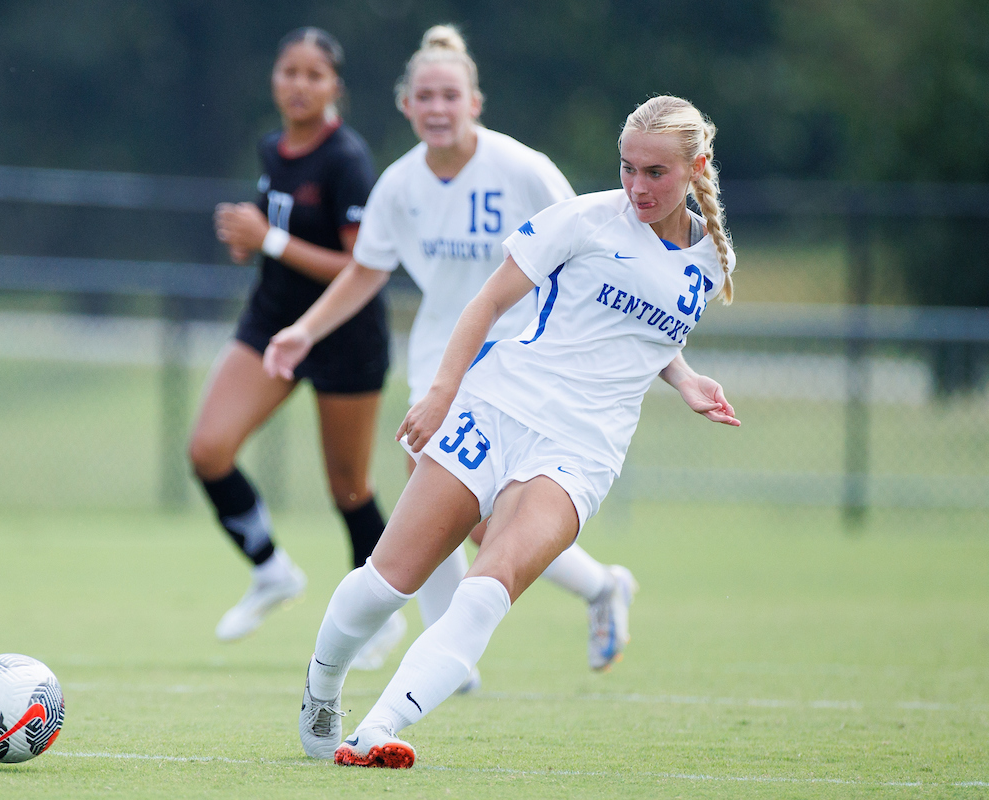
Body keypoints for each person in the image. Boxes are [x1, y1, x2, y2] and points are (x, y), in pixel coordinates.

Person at [287, 94, 741, 768]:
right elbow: (490, 300)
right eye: (628, 169)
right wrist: (442, 391)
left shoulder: (711, 264)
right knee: (389, 582)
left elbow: (638, 334)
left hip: (581, 454)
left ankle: (376, 730)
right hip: (497, 408)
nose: (637, 187)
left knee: (487, 589)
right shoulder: (585, 218)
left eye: (656, 174)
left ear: (696, 167)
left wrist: (685, 379)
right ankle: (322, 689)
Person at [265, 25, 638, 684]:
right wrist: (305, 330)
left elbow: (587, 243)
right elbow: (364, 271)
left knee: (489, 518)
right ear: (406, 106)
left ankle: (596, 589)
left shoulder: (521, 169)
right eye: (424, 97)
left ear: (475, 103)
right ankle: (464, 650)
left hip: (523, 362)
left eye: (450, 95)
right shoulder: (399, 185)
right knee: (437, 506)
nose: (437, 107)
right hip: (441, 361)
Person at [188, 28, 391, 645]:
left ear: (336, 88)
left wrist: (270, 240)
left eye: (314, 75)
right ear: (274, 80)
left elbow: (364, 269)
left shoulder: (348, 161)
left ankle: (377, 614)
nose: (299, 85)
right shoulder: (273, 148)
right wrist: (249, 240)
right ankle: (272, 570)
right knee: (208, 450)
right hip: (271, 323)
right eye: (289, 72)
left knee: (349, 487)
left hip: (344, 334)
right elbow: (278, 229)